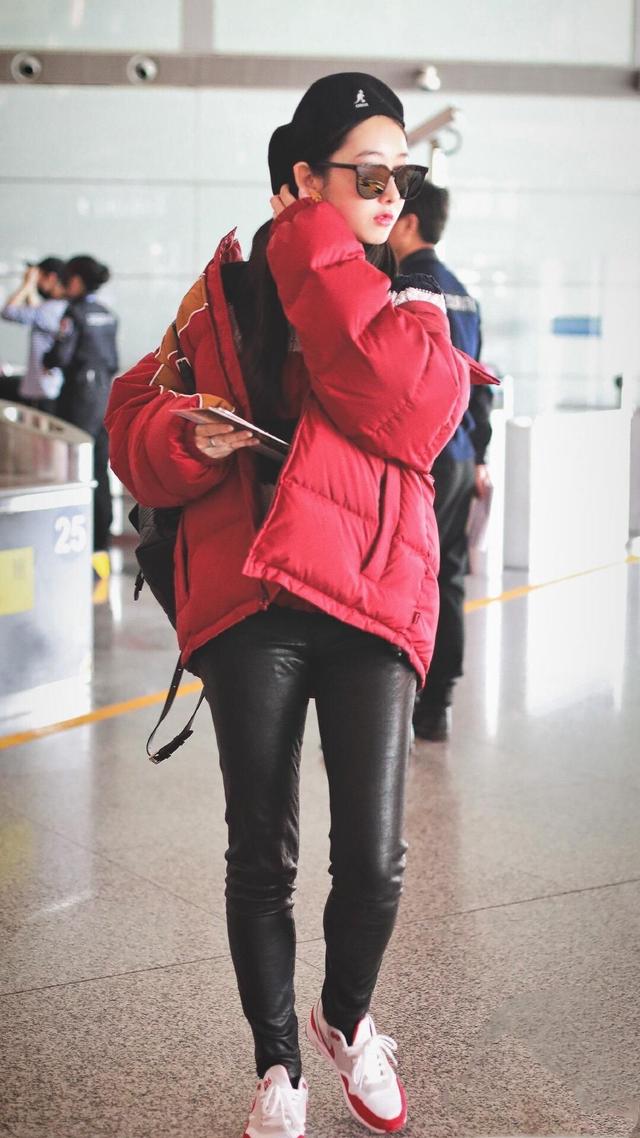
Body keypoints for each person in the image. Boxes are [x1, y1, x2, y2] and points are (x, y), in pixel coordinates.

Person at [105, 73, 494, 1138]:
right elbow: (130, 418)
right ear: (302, 178)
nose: (391, 195)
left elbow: (398, 406)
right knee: (260, 854)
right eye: (367, 175)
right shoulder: (220, 297)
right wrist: (187, 436)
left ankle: (346, 1018)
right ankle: (278, 1063)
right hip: (254, 594)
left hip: (369, 593)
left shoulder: (409, 300)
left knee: (375, 861)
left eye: (401, 175)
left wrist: (315, 243)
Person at [390, 182, 494, 742]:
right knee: (447, 575)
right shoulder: (465, 295)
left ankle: (393, 701)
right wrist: (480, 455)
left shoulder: (405, 288)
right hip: (458, 455)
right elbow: (480, 387)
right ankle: (438, 704)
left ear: (408, 223)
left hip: (418, 457)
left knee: (400, 576)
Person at [44, 255, 119, 559]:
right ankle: (102, 536)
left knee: (72, 467)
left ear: (75, 281)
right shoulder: (107, 314)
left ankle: (74, 536)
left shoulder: (74, 313)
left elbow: (59, 356)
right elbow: (112, 360)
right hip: (103, 395)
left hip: (77, 397)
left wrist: (48, 358)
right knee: (99, 466)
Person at [1, 257, 67, 413]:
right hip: (51, 388)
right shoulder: (61, 308)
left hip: (42, 389)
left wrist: (27, 284)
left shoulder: (50, 309)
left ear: (51, 278)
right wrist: (31, 289)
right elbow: (36, 310)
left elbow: (8, 312)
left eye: (39, 277)